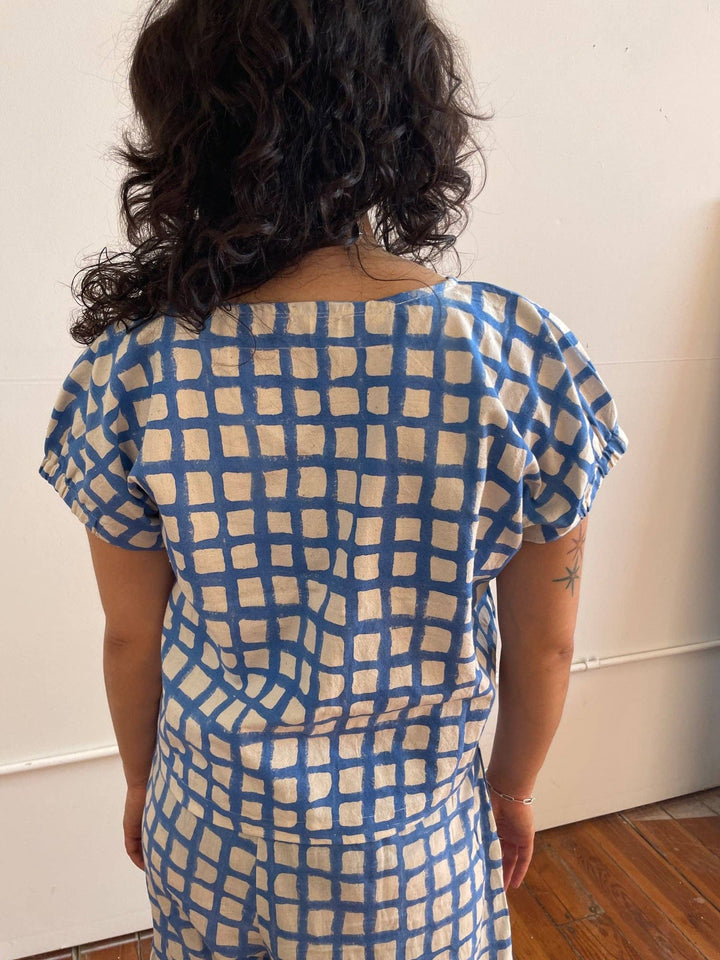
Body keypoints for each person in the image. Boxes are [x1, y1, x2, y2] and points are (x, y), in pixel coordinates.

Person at [37, 2, 629, 958]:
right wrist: (513, 791)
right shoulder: (516, 358)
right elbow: (547, 644)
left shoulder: (135, 368)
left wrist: (145, 782)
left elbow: (131, 635)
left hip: (210, 822)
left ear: (184, 138)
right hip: (413, 850)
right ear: (408, 124)